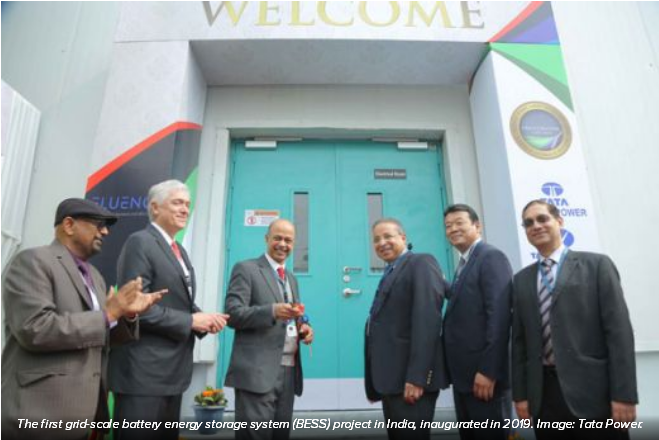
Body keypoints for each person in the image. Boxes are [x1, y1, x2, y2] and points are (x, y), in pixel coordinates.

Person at [1, 198, 164, 440]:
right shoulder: (33, 261)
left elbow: (99, 335)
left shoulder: (95, 275)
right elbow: (35, 329)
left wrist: (127, 314)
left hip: (85, 416)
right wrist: (108, 314)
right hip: (40, 414)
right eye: (98, 224)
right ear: (69, 225)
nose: (105, 232)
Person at [108, 180, 229, 440]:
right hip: (143, 374)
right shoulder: (140, 242)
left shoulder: (178, 250)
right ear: (155, 207)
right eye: (177, 203)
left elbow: (177, 300)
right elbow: (134, 306)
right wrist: (190, 321)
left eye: (187, 204)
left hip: (171, 373)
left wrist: (204, 319)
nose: (185, 209)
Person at [512, 199, 638, 440]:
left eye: (542, 219)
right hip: (544, 397)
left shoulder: (597, 266)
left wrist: (624, 395)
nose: (535, 226)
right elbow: (519, 343)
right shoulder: (521, 280)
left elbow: (619, 333)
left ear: (559, 221)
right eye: (528, 223)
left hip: (594, 395)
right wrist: (521, 396)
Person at [224, 218, 314, 440]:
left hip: (288, 371)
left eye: (288, 240)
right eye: (278, 238)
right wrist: (272, 311)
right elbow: (233, 314)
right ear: (266, 239)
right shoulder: (246, 269)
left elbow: (293, 316)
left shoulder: (291, 278)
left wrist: (304, 327)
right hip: (257, 372)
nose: (283, 244)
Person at [364, 218, 447, 440]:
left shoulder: (420, 263)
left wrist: (418, 377)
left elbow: (427, 322)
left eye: (388, 236)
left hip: (410, 381)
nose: (382, 243)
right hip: (392, 381)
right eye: (376, 239)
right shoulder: (391, 270)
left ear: (403, 237)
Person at [443, 204, 513, 440]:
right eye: (448, 226)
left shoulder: (490, 257)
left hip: (484, 378)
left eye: (459, 223)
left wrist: (488, 371)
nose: (453, 229)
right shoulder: (464, 263)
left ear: (477, 226)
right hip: (465, 378)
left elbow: (500, 317)